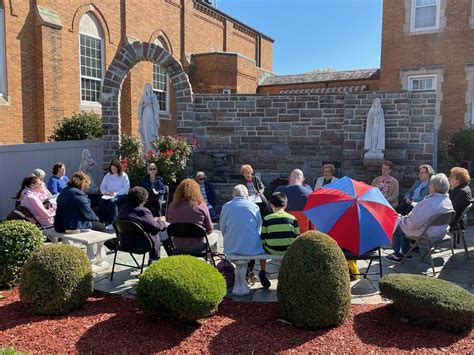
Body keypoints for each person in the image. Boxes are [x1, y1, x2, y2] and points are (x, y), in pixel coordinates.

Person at [385, 173, 454, 263]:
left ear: (435, 187)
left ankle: (397, 255)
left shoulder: (430, 202)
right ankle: (406, 253)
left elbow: (413, 223)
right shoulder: (447, 200)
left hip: (428, 233)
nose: (429, 186)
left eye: (430, 184)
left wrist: (403, 219)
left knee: (398, 227)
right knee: (402, 224)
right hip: (441, 231)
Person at [117, 187, 170, 264]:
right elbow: (156, 227)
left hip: (125, 242)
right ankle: (156, 259)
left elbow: (138, 222)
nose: (145, 202)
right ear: (141, 200)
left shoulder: (123, 209)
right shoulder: (142, 211)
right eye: (145, 200)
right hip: (141, 244)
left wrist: (152, 220)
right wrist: (160, 220)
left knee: (153, 230)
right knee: (164, 231)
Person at [259, 192, 300, 288]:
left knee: (261, 248)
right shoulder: (293, 218)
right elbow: (296, 236)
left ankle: (263, 271)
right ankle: (283, 271)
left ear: (271, 205)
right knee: (287, 245)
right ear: (286, 204)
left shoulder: (267, 218)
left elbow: (263, 237)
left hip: (271, 250)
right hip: (287, 250)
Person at [167, 178, 214, 248]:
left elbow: (171, 223)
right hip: (197, 245)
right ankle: (210, 258)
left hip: (177, 245)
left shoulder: (171, 206)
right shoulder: (201, 205)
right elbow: (210, 229)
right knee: (215, 236)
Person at [220, 184, 264, 256]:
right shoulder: (254, 206)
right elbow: (259, 226)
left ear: (233, 195)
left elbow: (223, 228)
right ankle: (250, 266)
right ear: (247, 195)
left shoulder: (226, 206)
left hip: (231, 248)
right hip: (252, 248)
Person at [98, 160, 130, 227]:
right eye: (112, 169)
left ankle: (113, 223)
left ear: (118, 168)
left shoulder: (123, 176)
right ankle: (101, 222)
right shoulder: (107, 175)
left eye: (115, 169)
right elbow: (102, 187)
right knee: (102, 201)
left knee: (112, 201)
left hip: (120, 195)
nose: (113, 170)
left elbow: (126, 189)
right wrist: (105, 192)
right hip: (108, 195)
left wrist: (115, 193)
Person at [138, 83, 161, 152]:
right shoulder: (143, 97)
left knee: (151, 128)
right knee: (145, 129)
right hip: (145, 113)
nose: (147, 88)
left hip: (151, 113)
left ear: (150, 88)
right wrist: (145, 104)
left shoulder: (153, 96)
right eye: (146, 87)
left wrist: (151, 103)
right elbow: (140, 106)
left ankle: (152, 148)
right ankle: (146, 148)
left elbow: (156, 106)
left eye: (148, 87)